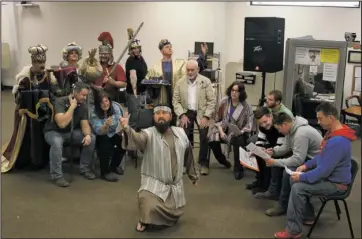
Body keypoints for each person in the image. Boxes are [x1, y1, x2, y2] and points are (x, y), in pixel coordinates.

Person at [274, 102, 357, 239]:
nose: (318, 122)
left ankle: (293, 231)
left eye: (320, 118)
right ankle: (307, 216)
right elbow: (322, 156)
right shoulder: (334, 134)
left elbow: (323, 171)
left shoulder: (338, 141)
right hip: (331, 177)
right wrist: (307, 166)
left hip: (336, 184)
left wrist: (302, 177)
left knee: (298, 187)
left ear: (330, 118)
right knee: (295, 179)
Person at [119, 104, 199, 232]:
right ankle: (144, 219)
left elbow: (189, 155)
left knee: (175, 212)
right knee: (147, 203)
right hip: (153, 183)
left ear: (170, 116)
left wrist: (193, 176)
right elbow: (138, 139)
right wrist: (127, 129)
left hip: (174, 185)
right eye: (157, 114)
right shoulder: (148, 133)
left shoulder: (181, 133)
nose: (161, 116)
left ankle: (167, 217)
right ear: (153, 117)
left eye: (164, 113)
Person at [2, 44, 57, 172]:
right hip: (28, 115)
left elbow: (54, 91)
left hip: (45, 113)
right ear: (33, 62)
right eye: (38, 62)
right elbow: (18, 97)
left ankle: (41, 160)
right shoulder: (25, 77)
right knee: (28, 137)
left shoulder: (49, 77)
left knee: (43, 135)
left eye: (43, 61)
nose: (41, 65)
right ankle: (26, 160)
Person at [258, 112, 323, 217]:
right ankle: (286, 203)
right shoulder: (292, 129)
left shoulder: (301, 133)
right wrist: (273, 151)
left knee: (289, 173)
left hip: (316, 163)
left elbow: (297, 160)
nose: (279, 131)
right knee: (286, 170)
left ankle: (290, 207)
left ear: (284, 124)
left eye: (279, 128)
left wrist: (275, 162)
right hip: (308, 159)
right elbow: (286, 147)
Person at [43, 81, 96, 187]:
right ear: (75, 93)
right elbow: (62, 124)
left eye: (86, 95)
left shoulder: (83, 106)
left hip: (70, 133)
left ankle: (84, 168)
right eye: (83, 95)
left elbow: (84, 124)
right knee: (57, 143)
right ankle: (57, 176)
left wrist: (88, 135)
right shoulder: (60, 102)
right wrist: (72, 107)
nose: (85, 98)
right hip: (54, 132)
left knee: (92, 138)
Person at [172, 60, 216, 175]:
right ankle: (185, 163)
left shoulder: (205, 81)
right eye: (188, 70)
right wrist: (181, 115)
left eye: (192, 70)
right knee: (183, 135)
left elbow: (211, 101)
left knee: (204, 134)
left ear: (198, 70)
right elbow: (175, 101)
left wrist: (206, 117)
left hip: (202, 112)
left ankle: (203, 162)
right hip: (187, 112)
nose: (190, 72)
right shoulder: (180, 82)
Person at [145, 39, 208, 117]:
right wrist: (156, 82)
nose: (170, 48)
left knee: (178, 123)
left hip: (177, 100)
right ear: (161, 51)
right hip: (162, 100)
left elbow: (194, 67)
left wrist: (202, 54)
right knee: (164, 121)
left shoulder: (180, 63)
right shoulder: (155, 67)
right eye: (167, 47)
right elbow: (147, 82)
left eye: (171, 46)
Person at [208, 81, 254, 179]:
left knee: (239, 140)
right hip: (223, 129)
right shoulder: (224, 102)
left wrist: (239, 131)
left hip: (239, 133)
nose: (234, 93)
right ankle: (222, 160)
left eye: (237, 91)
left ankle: (238, 168)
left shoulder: (246, 107)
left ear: (241, 93)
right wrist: (220, 130)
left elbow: (249, 125)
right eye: (232, 90)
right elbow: (217, 119)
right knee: (212, 136)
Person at [248, 106, 286, 193]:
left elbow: (281, 146)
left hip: (282, 149)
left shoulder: (278, 125)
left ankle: (267, 186)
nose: (264, 125)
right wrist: (256, 150)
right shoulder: (262, 126)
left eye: (265, 122)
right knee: (257, 156)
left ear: (270, 116)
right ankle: (259, 182)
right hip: (271, 146)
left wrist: (269, 152)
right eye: (261, 124)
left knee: (267, 161)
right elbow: (260, 140)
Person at [90, 90, 126, 182]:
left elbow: (119, 120)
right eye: (102, 102)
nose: (105, 104)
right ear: (98, 104)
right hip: (101, 134)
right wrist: (105, 125)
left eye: (106, 101)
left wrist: (122, 125)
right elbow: (98, 131)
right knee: (104, 142)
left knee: (124, 140)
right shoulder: (94, 112)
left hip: (114, 132)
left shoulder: (115, 107)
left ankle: (114, 166)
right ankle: (105, 173)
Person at [90, 32, 127, 101]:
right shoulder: (95, 66)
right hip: (96, 100)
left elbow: (124, 84)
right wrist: (96, 87)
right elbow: (89, 82)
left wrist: (113, 82)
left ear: (110, 54)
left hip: (112, 101)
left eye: (106, 54)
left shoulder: (117, 67)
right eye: (101, 54)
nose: (103, 56)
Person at [125, 28, 148, 97]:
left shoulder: (141, 58)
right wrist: (135, 94)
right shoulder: (131, 60)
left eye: (137, 48)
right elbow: (133, 78)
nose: (136, 50)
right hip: (134, 94)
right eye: (133, 49)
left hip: (143, 92)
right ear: (130, 50)